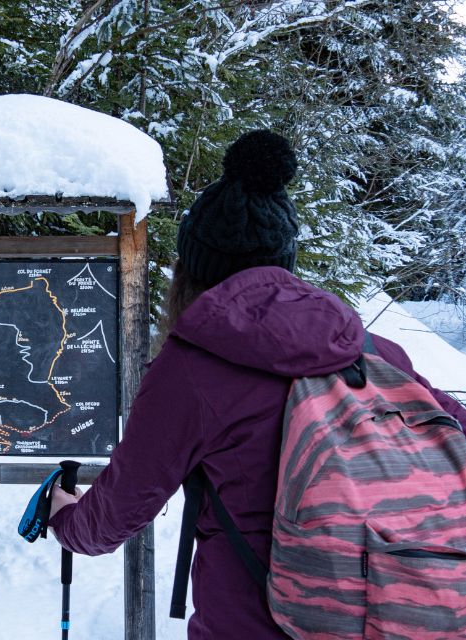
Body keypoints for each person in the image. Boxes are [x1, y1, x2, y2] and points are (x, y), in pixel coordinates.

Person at [48, 130, 466, 638]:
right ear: (286, 261)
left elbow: (119, 511)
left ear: (191, 272)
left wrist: (65, 520)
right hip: (404, 612)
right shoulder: (376, 352)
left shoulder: (191, 373)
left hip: (253, 621)